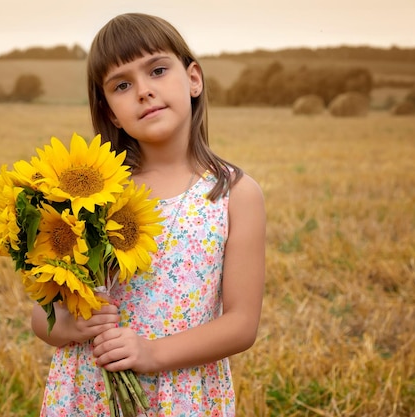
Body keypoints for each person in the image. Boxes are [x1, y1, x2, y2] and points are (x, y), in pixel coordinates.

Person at [31, 12, 266, 416]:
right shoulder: (88, 192)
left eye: (157, 70)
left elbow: (242, 323)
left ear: (193, 79)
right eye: (122, 85)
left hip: (183, 394)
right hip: (91, 392)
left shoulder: (234, 195)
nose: (143, 91)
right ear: (109, 111)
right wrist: (69, 327)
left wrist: (152, 353)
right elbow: (43, 312)